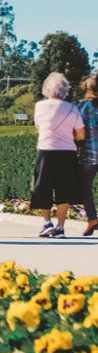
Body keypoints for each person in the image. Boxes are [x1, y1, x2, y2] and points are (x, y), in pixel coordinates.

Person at [32, 72, 86, 238]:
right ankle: (60, 227)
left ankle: (47, 223)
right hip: (67, 153)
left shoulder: (40, 106)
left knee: (43, 188)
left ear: (47, 89)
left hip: (45, 151)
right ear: (65, 91)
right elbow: (81, 134)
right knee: (64, 190)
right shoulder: (73, 108)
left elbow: (38, 126)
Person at [79, 74, 98, 237]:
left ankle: (92, 218)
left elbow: (76, 133)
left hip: (89, 156)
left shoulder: (82, 107)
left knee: (85, 187)